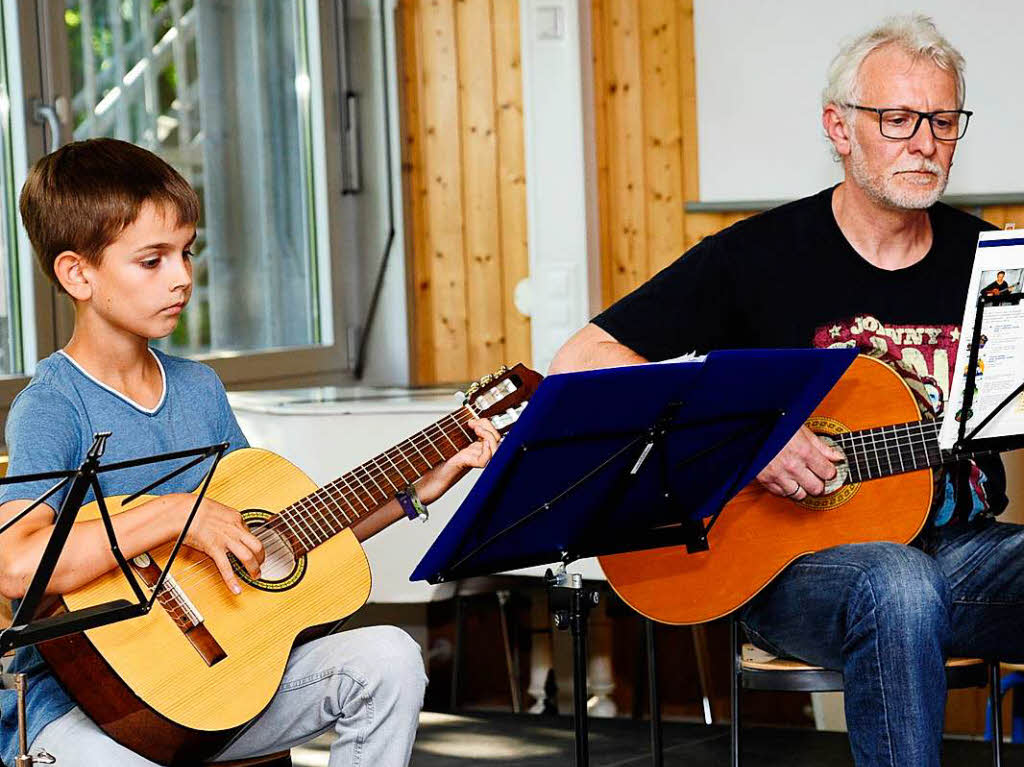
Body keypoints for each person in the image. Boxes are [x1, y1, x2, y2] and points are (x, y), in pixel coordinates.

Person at [551, 14, 1018, 767]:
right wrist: (743, 433)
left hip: (962, 555)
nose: (925, 143)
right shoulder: (756, 258)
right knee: (897, 584)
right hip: (792, 570)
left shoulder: (992, 263)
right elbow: (581, 361)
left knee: (915, 581)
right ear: (839, 126)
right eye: (897, 119)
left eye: (943, 120)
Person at [0, 137, 501, 767]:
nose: (182, 276)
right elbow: (15, 566)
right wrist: (174, 515)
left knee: (389, 657)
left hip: (217, 690)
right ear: (78, 273)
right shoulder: (51, 406)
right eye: (152, 261)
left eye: (185, 253)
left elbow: (272, 537)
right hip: (78, 708)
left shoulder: (198, 388)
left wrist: (412, 492)